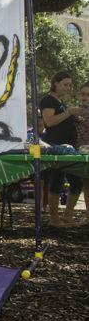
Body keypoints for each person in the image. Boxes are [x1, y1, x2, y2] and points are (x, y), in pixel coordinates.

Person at [40, 71, 87, 227]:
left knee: (76, 182)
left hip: (69, 149)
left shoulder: (59, 102)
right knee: (56, 181)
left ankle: (67, 216)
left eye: (69, 85)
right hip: (56, 147)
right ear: (56, 83)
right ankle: (54, 219)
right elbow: (50, 122)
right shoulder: (48, 100)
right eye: (65, 84)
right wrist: (69, 112)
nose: (68, 88)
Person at [75, 82, 89, 223]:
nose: (85, 97)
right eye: (83, 94)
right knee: (86, 183)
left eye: (88, 94)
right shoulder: (76, 111)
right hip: (82, 151)